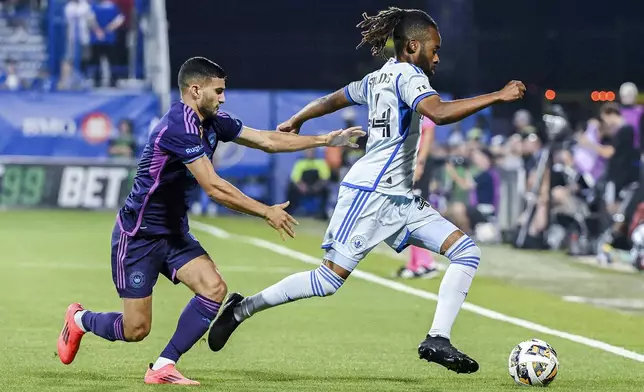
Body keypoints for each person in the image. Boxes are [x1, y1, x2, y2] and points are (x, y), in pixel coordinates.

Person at [208, 7, 525, 374]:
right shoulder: (408, 75)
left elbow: (335, 98)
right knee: (326, 281)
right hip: (370, 196)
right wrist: (497, 96)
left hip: (400, 199)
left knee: (466, 253)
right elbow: (437, 113)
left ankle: (438, 337)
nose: (438, 56)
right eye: (433, 48)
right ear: (411, 47)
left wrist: (300, 117)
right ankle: (242, 308)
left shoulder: (379, 78)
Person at [56, 57, 365, 385]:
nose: (223, 97)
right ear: (194, 90)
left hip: (174, 234)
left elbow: (267, 140)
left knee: (214, 288)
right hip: (139, 236)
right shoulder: (179, 126)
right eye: (217, 91)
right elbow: (214, 187)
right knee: (135, 330)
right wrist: (266, 211)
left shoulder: (214, 120)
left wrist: (324, 140)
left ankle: (163, 366)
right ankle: (79, 319)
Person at [397, 116, 439, 279]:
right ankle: (415, 264)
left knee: (415, 214)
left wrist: (419, 162)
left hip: (416, 162)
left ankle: (427, 263)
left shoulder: (419, 102)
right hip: (406, 161)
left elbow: (428, 132)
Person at [286, 148, 331, 219]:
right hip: (303, 187)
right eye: (308, 152)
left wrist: (317, 187)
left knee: (326, 191)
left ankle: (321, 212)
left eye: (311, 152)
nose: (310, 153)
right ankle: (289, 211)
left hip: (316, 187)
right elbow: (295, 177)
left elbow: (325, 177)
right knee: (291, 189)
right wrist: (301, 186)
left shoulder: (320, 162)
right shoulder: (300, 163)